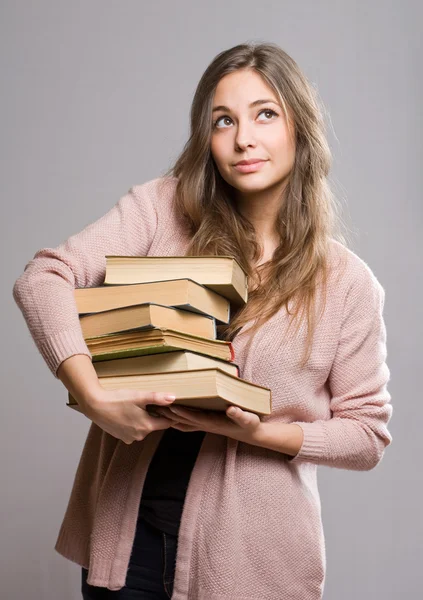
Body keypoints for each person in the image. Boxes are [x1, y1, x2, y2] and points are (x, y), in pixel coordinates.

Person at [12, 42, 393, 600]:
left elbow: (367, 434)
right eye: (223, 121)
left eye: (266, 114)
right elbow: (44, 277)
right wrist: (91, 394)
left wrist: (259, 432)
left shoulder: (348, 283)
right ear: (208, 140)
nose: (244, 138)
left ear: (299, 129)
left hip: (253, 563)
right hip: (129, 544)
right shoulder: (161, 209)